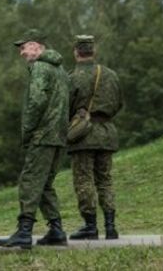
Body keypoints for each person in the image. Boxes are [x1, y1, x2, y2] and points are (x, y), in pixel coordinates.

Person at [0, 29, 69, 249]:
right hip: (59, 136)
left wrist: (27, 131)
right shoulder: (61, 70)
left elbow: (36, 101)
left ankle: (24, 231)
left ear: (37, 46)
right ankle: (56, 230)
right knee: (45, 183)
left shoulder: (39, 67)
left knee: (29, 180)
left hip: (43, 135)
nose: (21, 53)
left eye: (24, 47)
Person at [68, 35, 124, 240]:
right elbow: (119, 103)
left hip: (82, 135)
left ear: (76, 52)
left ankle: (90, 226)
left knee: (84, 180)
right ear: (94, 51)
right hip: (107, 133)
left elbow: (66, 106)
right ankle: (110, 226)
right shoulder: (110, 75)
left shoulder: (72, 77)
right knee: (105, 180)